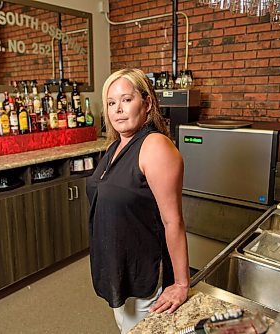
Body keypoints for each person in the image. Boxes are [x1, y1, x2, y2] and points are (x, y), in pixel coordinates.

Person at [86, 68, 190, 333]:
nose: (117, 109)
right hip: (118, 270)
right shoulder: (115, 147)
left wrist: (181, 283)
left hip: (143, 269)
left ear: (147, 102)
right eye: (111, 103)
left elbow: (172, 221)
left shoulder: (155, 146)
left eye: (126, 99)